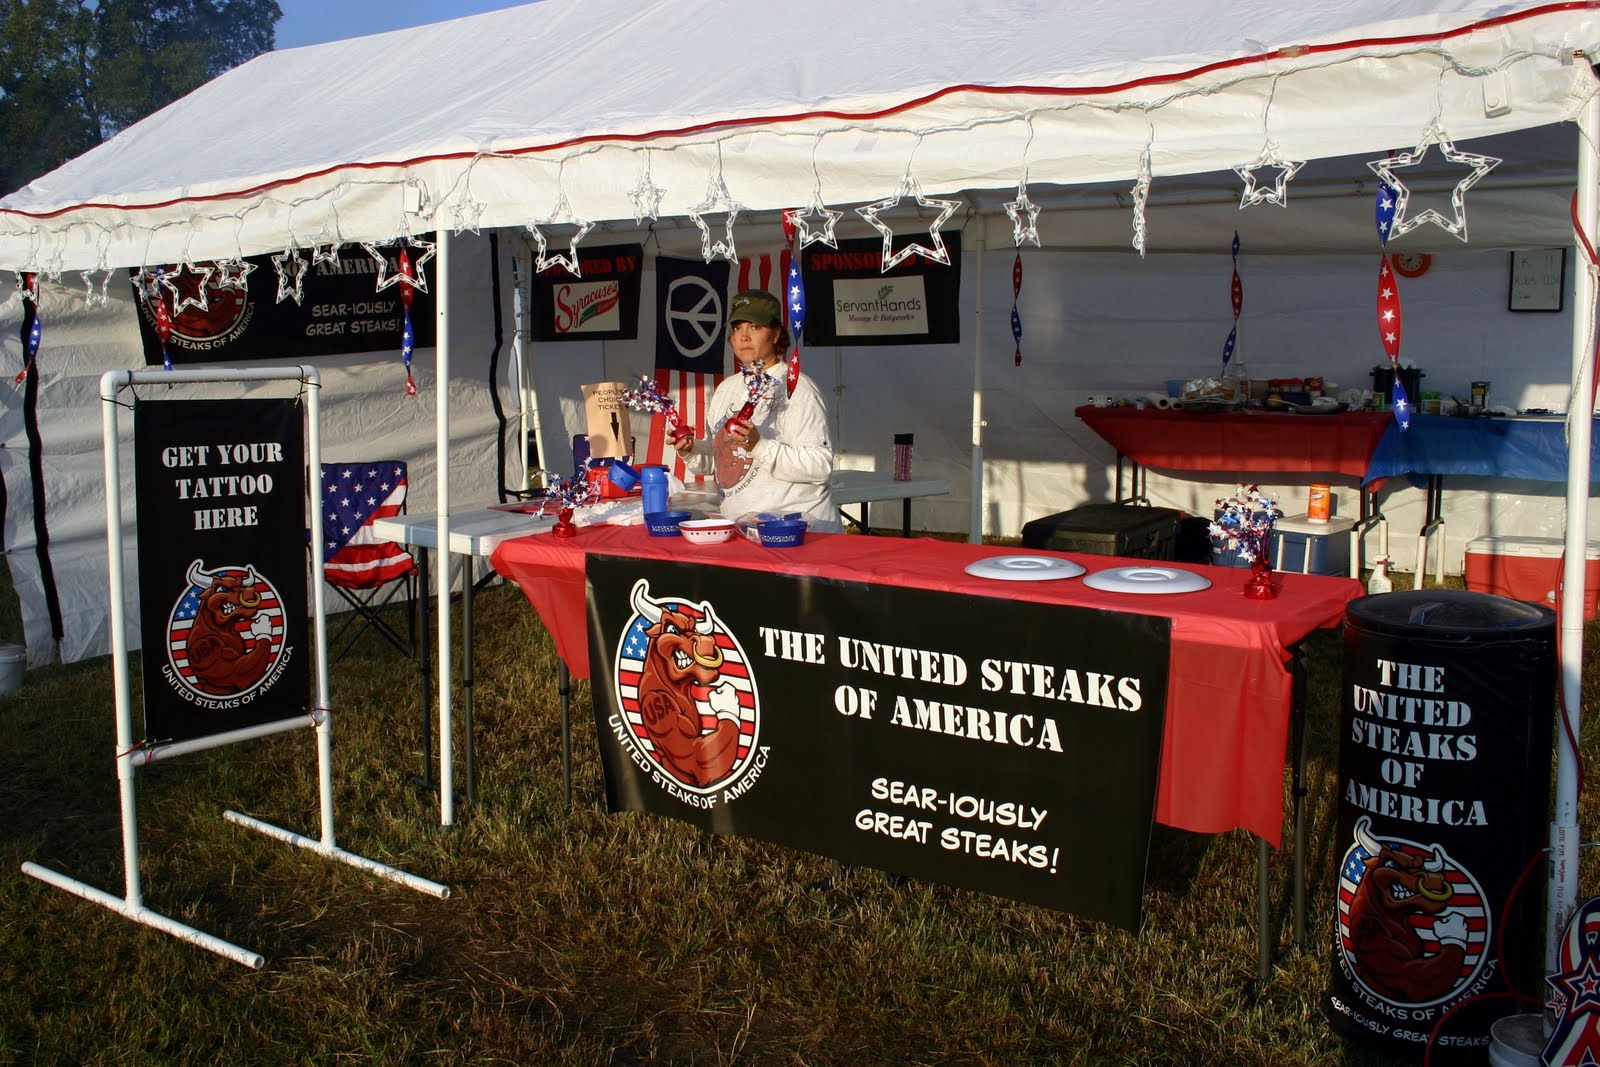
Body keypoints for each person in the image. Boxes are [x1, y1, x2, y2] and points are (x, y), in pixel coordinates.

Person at [674, 289, 840, 531]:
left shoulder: (796, 387)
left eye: (754, 327)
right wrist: (691, 450)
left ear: (776, 334)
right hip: (742, 531)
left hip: (799, 534)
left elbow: (820, 466)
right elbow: (719, 462)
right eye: (737, 328)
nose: (744, 337)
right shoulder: (725, 389)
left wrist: (758, 446)